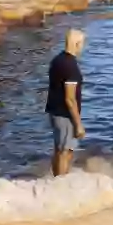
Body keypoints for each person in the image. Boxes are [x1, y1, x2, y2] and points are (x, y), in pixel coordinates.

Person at [46, 28, 87, 176]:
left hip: (54, 110)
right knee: (65, 151)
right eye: (82, 43)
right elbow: (70, 99)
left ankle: (57, 178)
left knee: (60, 148)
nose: (83, 46)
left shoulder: (57, 60)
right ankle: (60, 183)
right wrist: (78, 124)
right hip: (64, 114)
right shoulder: (71, 67)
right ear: (76, 44)